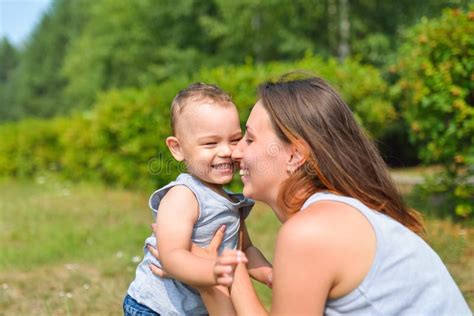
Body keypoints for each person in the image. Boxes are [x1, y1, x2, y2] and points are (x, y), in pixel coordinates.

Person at [152, 74, 471, 315]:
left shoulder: (312, 232)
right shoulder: (339, 213)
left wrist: (218, 274)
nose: (235, 153)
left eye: (247, 139)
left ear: (294, 155)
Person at [124, 83, 272, 316]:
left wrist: (268, 274)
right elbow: (172, 256)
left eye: (234, 140)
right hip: (156, 308)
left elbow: (246, 250)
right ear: (177, 148)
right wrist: (212, 271)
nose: (225, 151)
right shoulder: (183, 195)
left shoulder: (231, 201)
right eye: (211, 143)